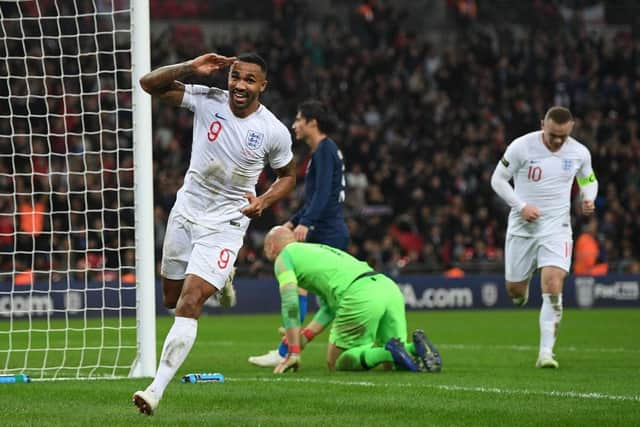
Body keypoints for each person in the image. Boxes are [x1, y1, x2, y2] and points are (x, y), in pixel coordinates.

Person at [132, 52, 296, 415]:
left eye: (249, 80)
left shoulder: (273, 130)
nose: (239, 85)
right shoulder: (208, 99)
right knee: (171, 300)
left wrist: (264, 202)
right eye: (236, 77)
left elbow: (288, 176)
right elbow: (148, 84)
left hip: (226, 223)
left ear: (262, 86)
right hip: (186, 211)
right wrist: (191, 67)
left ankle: (155, 390)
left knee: (189, 304)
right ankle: (222, 280)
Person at [490, 106, 598, 369]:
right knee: (515, 293)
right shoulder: (521, 147)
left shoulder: (579, 152)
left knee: (552, 284)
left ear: (571, 127)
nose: (557, 140)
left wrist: (588, 198)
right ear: (543, 125)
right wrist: (521, 206)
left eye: (562, 135)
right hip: (522, 227)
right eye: (552, 134)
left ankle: (546, 353)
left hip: (556, 227)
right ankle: (521, 291)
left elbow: (589, 179)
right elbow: (498, 180)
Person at [248, 100, 350, 368]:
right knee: (306, 291)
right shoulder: (322, 152)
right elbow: (314, 198)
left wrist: (306, 223)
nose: (294, 125)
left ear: (312, 122)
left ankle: (288, 351)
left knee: (321, 295)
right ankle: (288, 350)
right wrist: (293, 222)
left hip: (327, 232)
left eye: (298, 120)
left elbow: (324, 194)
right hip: (325, 228)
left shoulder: (325, 150)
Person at [262, 226, 442, 374]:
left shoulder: (283, 258)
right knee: (391, 368)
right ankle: (414, 349)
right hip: (388, 287)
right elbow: (330, 308)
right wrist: (306, 336)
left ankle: (389, 352)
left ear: (271, 246)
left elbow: (290, 303)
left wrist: (293, 351)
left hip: (360, 293)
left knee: (338, 363)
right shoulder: (316, 250)